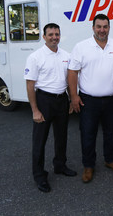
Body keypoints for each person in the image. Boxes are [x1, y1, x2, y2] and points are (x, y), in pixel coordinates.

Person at [68, 14, 113, 183]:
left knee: (111, 132)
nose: (102, 30)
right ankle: (88, 165)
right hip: (88, 100)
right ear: (93, 28)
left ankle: (110, 160)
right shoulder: (81, 47)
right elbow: (72, 72)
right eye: (98, 26)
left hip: (112, 99)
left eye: (105, 26)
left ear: (109, 28)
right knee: (87, 133)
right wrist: (74, 96)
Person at [24, 23, 77, 193]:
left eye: (57, 34)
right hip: (44, 101)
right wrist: (35, 110)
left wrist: (70, 100)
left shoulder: (66, 56)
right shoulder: (35, 57)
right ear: (44, 37)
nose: (54, 37)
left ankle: (60, 166)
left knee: (61, 137)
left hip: (61, 100)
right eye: (51, 34)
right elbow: (30, 85)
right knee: (40, 140)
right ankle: (39, 176)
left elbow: (69, 81)